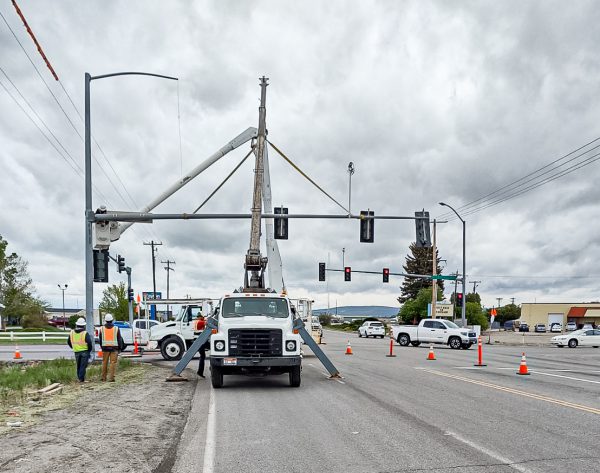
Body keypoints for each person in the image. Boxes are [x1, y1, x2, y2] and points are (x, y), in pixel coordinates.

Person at [99, 313, 125, 382]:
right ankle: (111, 378)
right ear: (112, 320)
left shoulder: (101, 329)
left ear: (105, 320)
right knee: (112, 363)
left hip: (105, 348)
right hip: (114, 348)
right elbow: (119, 339)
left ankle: (103, 378)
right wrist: (120, 348)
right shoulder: (116, 328)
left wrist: (102, 347)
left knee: (104, 362)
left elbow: (100, 339)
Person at [67, 317, 93, 382]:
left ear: (77, 324)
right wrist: (89, 351)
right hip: (84, 352)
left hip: (76, 352)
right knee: (83, 366)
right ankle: (81, 379)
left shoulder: (72, 332)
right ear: (84, 325)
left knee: (78, 366)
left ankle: (79, 378)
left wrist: (73, 347)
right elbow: (89, 343)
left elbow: (68, 342)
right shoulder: (85, 333)